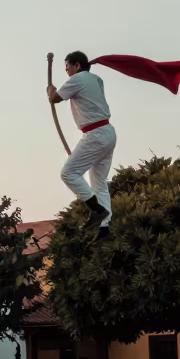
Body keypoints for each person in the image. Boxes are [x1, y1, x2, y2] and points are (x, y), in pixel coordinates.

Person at [47, 51, 117, 236]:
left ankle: (97, 210)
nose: (67, 72)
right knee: (99, 182)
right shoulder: (96, 79)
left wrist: (50, 91)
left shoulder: (77, 79)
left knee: (68, 173)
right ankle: (105, 228)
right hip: (108, 132)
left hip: (95, 134)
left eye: (67, 67)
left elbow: (55, 98)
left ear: (77, 66)